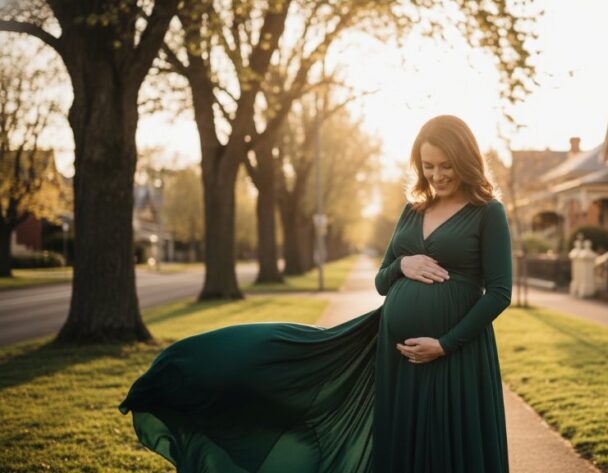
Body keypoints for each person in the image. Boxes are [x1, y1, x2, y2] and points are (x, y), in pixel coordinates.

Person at [119, 114, 513, 473]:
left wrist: (444, 344)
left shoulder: (486, 212)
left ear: (464, 160)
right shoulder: (412, 210)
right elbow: (381, 281)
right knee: (405, 446)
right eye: (428, 166)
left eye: (446, 166)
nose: (437, 175)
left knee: (449, 446)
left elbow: (498, 293)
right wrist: (402, 266)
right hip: (397, 360)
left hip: (457, 355)